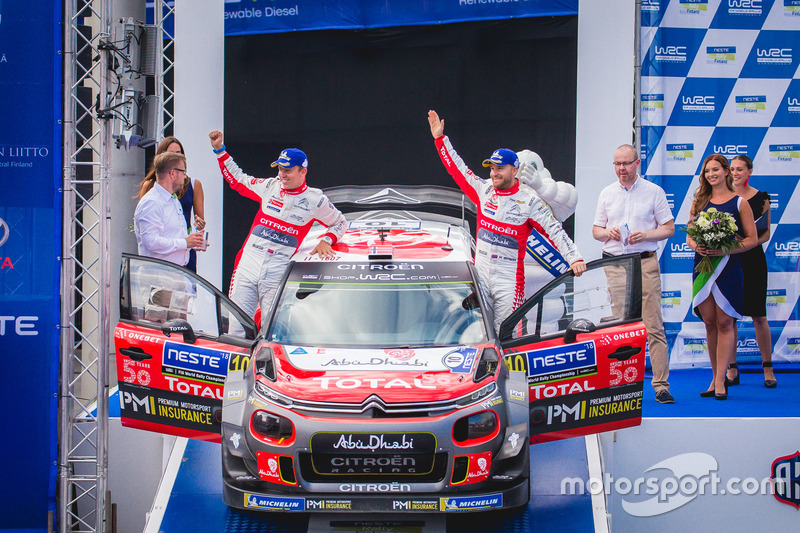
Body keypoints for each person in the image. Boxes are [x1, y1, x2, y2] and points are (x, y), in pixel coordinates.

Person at [427, 110, 586, 333]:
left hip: (508, 282)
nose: (494, 173)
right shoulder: (484, 190)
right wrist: (440, 140)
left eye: (500, 168)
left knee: (504, 337)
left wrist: (574, 257)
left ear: (514, 170)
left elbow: (555, 230)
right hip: (480, 277)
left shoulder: (529, 201)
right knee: (478, 336)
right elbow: (457, 169)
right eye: (492, 168)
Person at [209, 130, 347, 329]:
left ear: (303, 171)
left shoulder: (316, 200)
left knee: (271, 330)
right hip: (247, 265)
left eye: (288, 170)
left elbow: (340, 222)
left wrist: (327, 240)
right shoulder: (269, 186)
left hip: (277, 271)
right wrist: (220, 151)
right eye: (280, 169)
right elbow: (238, 180)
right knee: (237, 329)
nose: (282, 174)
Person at [592, 145, 676, 404]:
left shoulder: (653, 191)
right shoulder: (607, 193)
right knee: (621, 328)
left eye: (627, 163)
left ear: (637, 163)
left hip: (645, 263)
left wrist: (646, 235)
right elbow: (596, 230)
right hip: (616, 264)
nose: (622, 169)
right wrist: (609, 233)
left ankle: (660, 385)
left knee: (653, 325)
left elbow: (669, 228)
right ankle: (622, 385)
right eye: (617, 164)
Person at [686, 154, 756, 400]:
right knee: (709, 323)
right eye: (707, 171)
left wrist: (726, 248)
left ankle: (720, 381)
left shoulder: (740, 203)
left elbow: (751, 239)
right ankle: (715, 376)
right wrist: (698, 247)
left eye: (715, 169)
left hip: (728, 268)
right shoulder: (699, 201)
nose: (711, 174)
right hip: (703, 268)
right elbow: (689, 236)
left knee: (726, 323)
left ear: (726, 171)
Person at [726, 155, 776, 388]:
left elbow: (765, 233)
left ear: (749, 171)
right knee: (730, 316)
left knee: (759, 315)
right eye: (732, 169)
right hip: (728, 260)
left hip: (754, 259)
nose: (735, 173)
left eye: (739, 169)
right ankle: (732, 369)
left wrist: (748, 243)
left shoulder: (762, 198)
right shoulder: (723, 197)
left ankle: (768, 368)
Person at [137, 136, 206, 272]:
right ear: (172, 173)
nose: (185, 176)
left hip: (178, 267)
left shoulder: (172, 199)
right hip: (160, 272)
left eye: (179, 153)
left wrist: (193, 240)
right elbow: (150, 241)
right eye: (182, 172)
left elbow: (175, 231)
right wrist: (185, 242)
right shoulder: (152, 200)